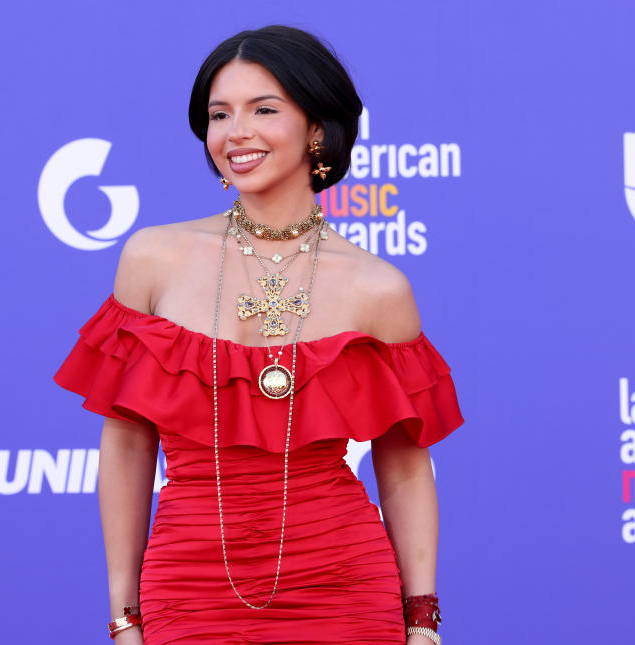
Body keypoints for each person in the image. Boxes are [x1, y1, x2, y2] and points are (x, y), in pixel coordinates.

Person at [54, 25, 463, 645]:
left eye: (263, 110)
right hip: (186, 585)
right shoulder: (152, 258)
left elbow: (404, 465)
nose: (235, 132)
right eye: (220, 115)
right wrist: (123, 614)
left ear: (317, 130)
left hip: (342, 586)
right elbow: (127, 445)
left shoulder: (379, 289)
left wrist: (422, 622)